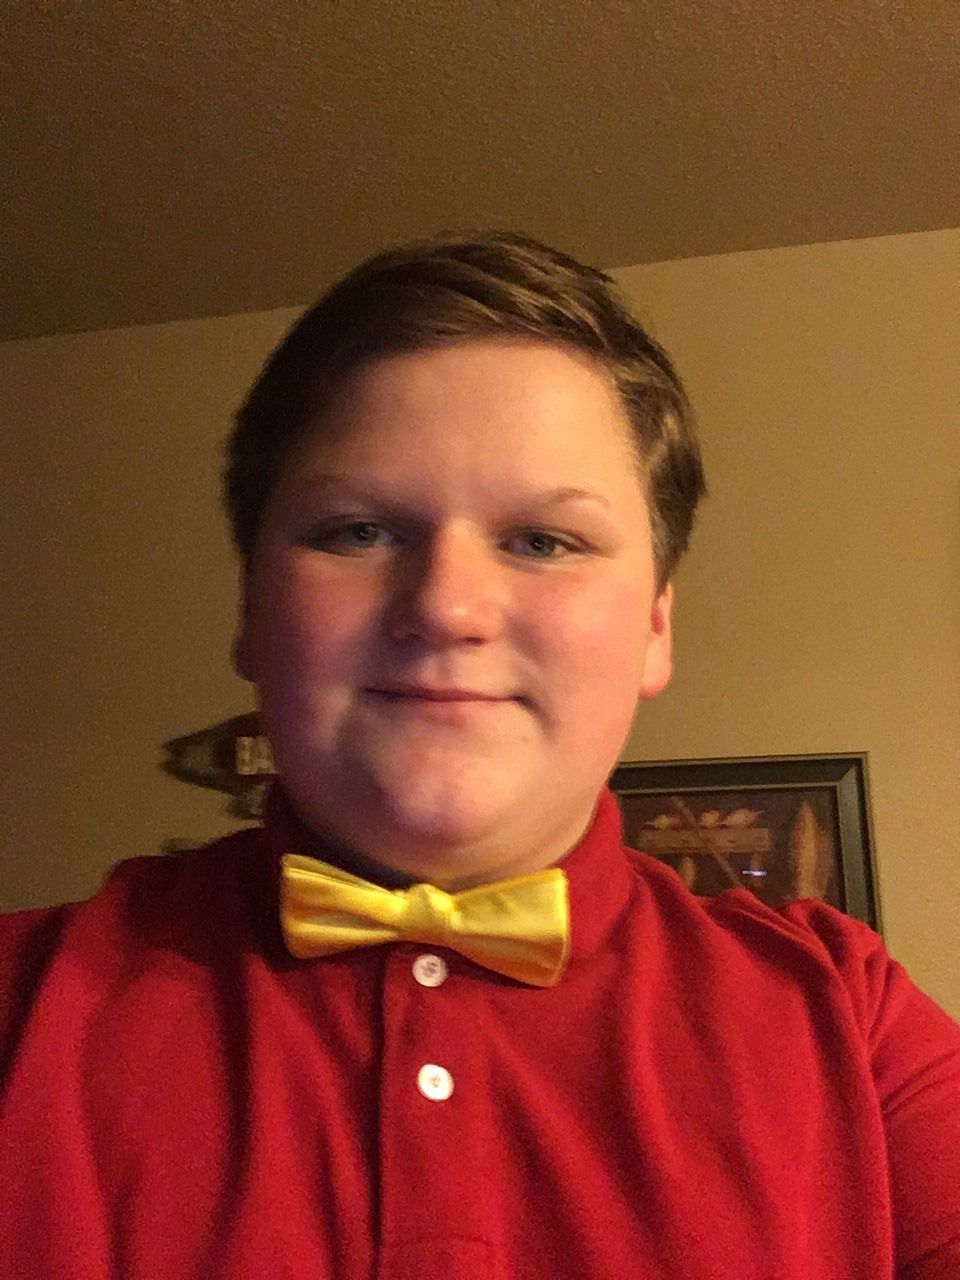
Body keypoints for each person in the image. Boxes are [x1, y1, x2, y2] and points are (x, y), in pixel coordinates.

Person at [1, 232, 958, 1279]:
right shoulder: (17, 1002)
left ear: (655, 627)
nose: (448, 607)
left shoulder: (852, 1020)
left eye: (544, 541)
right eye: (358, 531)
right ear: (249, 612)